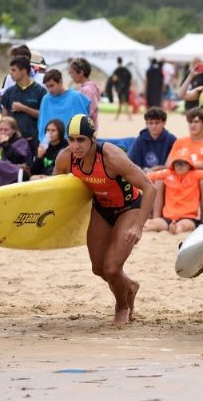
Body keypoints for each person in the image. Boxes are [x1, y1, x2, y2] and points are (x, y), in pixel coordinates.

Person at [53, 114, 156, 326]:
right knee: (98, 269)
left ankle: (122, 306)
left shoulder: (111, 156)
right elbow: (56, 190)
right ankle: (130, 287)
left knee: (111, 268)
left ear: (93, 139)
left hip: (129, 208)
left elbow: (150, 187)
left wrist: (138, 227)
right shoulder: (65, 158)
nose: (75, 146)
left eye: (81, 139)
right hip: (101, 209)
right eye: (71, 140)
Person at [145, 148, 203, 234]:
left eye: (183, 163)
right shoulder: (168, 173)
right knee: (152, 224)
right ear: (173, 165)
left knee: (182, 226)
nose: (180, 166)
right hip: (168, 218)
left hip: (188, 217)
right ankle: (170, 228)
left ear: (189, 165)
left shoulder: (195, 174)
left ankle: (175, 229)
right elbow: (146, 177)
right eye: (177, 163)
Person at [37, 69, 90, 158]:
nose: (49, 89)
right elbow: (42, 124)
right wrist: (43, 143)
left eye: (52, 85)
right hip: (51, 147)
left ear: (60, 82)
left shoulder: (76, 97)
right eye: (47, 86)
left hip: (73, 146)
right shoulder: (46, 99)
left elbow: (84, 123)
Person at [0, 56, 47, 155]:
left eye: (14, 70)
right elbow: (4, 118)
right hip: (12, 142)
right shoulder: (9, 92)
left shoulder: (40, 91)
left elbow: (44, 115)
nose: (11, 73)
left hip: (33, 141)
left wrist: (23, 108)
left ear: (24, 71)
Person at [127, 107, 176, 172]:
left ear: (164, 123)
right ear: (146, 124)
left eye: (157, 123)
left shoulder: (171, 140)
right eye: (151, 123)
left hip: (164, 176)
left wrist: (160, 169)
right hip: (143, 175)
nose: (154, 126)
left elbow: (175, 166)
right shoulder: (140, 139)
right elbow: (131, 162)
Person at [69, 58, 101, 130]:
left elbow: (87, 112)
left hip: (85, 129)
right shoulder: (87, 87)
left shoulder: (87, 90)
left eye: (72, 73)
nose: (71, 76)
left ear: (81, 72)